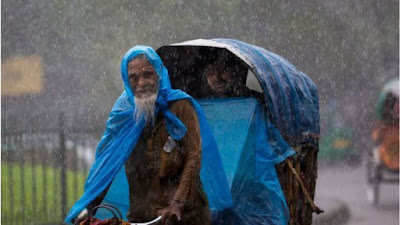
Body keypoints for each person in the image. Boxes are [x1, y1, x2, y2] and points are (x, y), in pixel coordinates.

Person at [66, 46, 233, 225]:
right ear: (126, 80)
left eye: (148, 74)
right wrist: (88, 207)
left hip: (185, 217)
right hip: (142, 216)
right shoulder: (123, 114)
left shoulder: (180, 106)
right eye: (134, 77)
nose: (142, 83)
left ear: (159, 74)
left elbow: (194, 156)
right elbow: (108, 164)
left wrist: (177, 203)